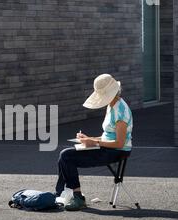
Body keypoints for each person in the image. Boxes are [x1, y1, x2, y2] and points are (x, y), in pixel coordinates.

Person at [56, 74, 133, 211]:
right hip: (108, 148)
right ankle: (68, 193)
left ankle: (73, 196)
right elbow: (108, 136)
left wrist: (95, 143)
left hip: (116, 152)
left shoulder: (120, 111)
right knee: (65, 156)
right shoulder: (112, 105)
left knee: (66, 156)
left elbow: (119, 143)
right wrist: (90, 139)